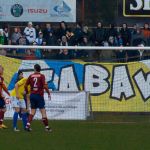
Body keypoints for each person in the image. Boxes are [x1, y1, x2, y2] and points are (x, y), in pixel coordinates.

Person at [24, 64, 52, 132]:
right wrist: (48, 93)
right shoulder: (42, 76)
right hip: (39, 96)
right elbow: (45, 86)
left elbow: (25, 85)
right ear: (40, 69)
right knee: (43, 111)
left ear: (35, 69)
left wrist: (27, 92)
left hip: (32, 95)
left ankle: (27, 125)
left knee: (33, 111)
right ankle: (47, 127)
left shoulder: (31, 76)